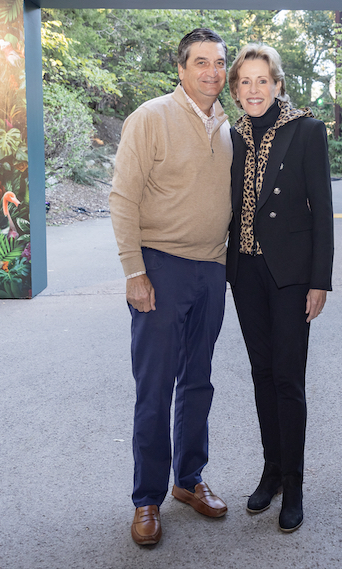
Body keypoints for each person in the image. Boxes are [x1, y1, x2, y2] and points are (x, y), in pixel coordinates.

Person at [109, 28, 233, 547]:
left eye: (219, 62)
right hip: (159, 267)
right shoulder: (150, 117)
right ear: (181, 69)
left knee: (198, 382)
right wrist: (134, 271)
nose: (212, 71)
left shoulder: (231, 127)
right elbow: (122, 197)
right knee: (155, 389)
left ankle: (188, 480)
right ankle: (146, 499)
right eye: (200, 62)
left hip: (212, 269)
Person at [225, 44, 334, 533]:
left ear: (278, 84)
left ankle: (294, 483)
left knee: (289, 378)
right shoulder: (232, 138)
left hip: (290, 275)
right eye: (245, 82)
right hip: (246, 272)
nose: (254, 89)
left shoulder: (307, 130)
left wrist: (319, 280)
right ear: (235, 89)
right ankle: (270, 471)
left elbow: (323, 212)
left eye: (262, 80)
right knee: (261, 373)